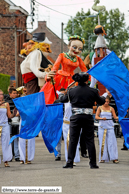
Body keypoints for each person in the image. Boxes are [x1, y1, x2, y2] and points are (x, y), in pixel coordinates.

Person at [59, 73, 105, 169]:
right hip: (88, 117)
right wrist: (104, 97)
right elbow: (101, 102)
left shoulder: (72, 91)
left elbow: (62, 100)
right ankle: (93, 163)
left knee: (73, 140)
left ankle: (70, 162)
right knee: (89, 140)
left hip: (75, 117)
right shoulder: (93, 91)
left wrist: (61, 95)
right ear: (87, 80)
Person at [40, 35, 89, 104]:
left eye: (80, 49)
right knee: (53, 98)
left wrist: (90, 80)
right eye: (74, 47)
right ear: (69, 46)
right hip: (59, 79)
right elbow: (55, 68)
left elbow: (85, 71)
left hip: (72, 81)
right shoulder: (62, 55)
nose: (77, 50)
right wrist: (48, 76)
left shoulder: (78, 59)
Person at [95, 96, 119, 163]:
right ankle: (103, 158)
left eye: (107, 101)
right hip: (102, 127)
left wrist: (118, 118)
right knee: (103, 142)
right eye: (105, 101)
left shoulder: (111, 108)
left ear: (109, 102)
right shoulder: (99, 108)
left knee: (112, 142)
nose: (106, 103)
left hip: (110, 127)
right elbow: (96, 117)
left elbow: (115, 117)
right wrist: (101, 118)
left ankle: (114, 158)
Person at [0, 89, 17, 167]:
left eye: (2, 94)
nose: (1, 96)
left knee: (6, 143)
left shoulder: (6, 104)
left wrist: (14, 113)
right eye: (0, 94)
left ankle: (6, 160)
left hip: (5, 125)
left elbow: (9, 116)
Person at [4, 87, 20, 161]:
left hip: (17, 121)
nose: (15, 94)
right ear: (10, 94)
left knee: (16, 138)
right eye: (14, 93)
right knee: (9, 139)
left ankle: (16, 155)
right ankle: (10, 156)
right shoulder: (6, 102)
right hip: (8, 121)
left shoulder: (18, 101)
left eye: (16, 93)